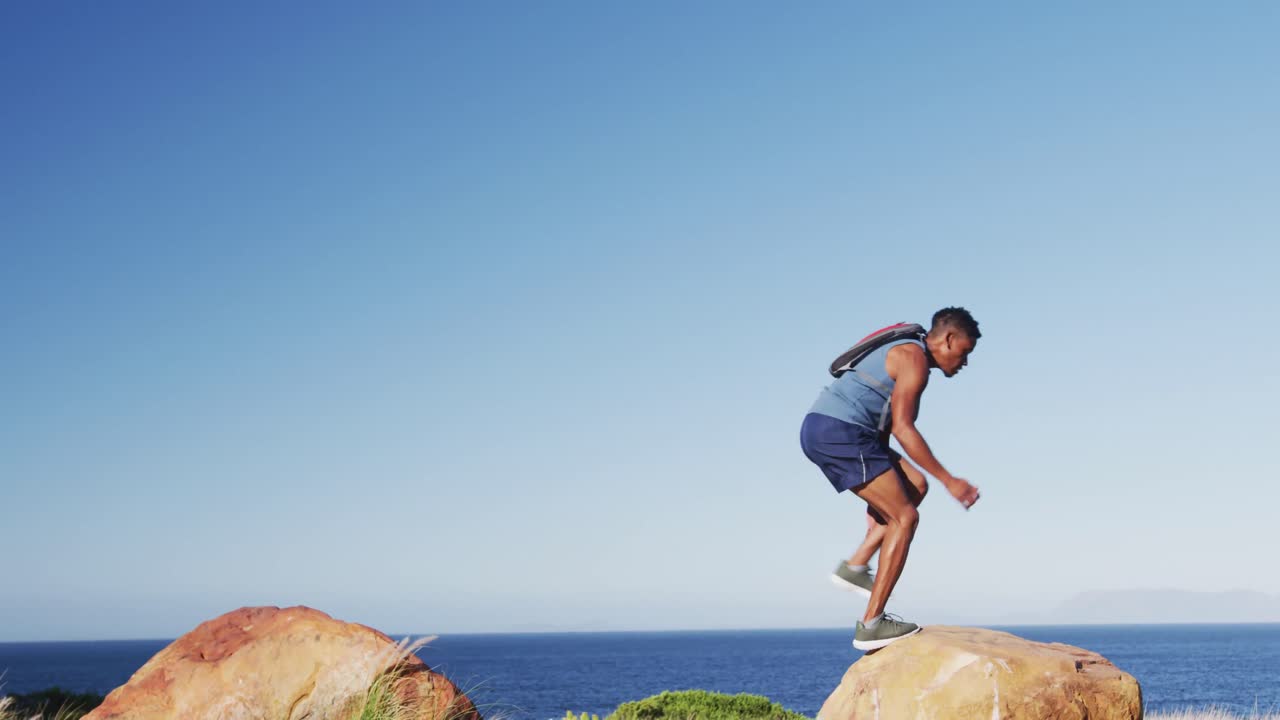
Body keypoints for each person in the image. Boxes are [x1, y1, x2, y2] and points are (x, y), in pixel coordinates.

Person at [799, 307, 982, 651]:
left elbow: (880, 416)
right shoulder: (913, 358)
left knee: (914, 486)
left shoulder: (908, 350)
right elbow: (902, 428)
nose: (965, 362)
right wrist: (950, 480)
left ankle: (856, 565)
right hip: (839, 431)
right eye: (965, 352)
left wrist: (882, 490)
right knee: (905, 517)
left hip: (837, 428)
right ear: (948, 339)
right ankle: (871, 624)